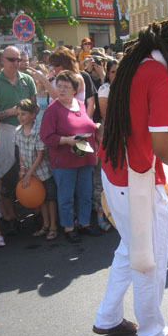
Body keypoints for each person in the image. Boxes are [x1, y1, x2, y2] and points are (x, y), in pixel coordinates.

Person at [93, 14, 168, 336]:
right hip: (137, 178)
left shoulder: (138, 62)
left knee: (132, 250)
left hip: (118, 168)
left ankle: (108, 317)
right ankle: (151, 331)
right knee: (149, 257)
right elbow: (162, 146)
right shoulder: (159, 75)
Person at [40, 70, 100, 243]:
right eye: (59, 86)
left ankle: (84, 223)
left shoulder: (80, 104)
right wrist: (67, 140)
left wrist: (94, 126)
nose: (61, 90)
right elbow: (46, 137)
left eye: (66, 86)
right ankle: (68, 227)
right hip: (64, 160)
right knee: (66, 196)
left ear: (75, 89)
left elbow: (86, 124)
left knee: (85, 193)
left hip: (84, 156)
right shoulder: (53, 110)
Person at [0, 45, 37, 234]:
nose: (17, 63)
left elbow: (34, 104)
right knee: (7, 175)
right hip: (7, 130)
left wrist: (28, 115)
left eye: (19, 60)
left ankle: (37, 213)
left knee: (34, 170)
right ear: (2, 61)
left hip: (27, 129)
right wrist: (10, 112)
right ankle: (10, 217)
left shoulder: (27, 79)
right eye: (12, 60)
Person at [15, 99, 58, 240]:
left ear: (33, 115)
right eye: (18, 114)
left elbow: (40, 155)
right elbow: (20, 151)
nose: (20, 117)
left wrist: (28, 173)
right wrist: (22, 167)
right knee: (41, 200)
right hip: (30, 173)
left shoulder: (39, 131)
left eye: (23, 114)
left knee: (50, 199)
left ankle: (53, 227)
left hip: (43, 172)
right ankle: (45, 225)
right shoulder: (18, 132)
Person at [28, 46, 96, 119]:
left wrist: (43, 79)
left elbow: (58, 96)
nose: (54, 67)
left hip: (72, 119)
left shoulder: (77, 78)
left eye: (56, 64)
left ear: (66, 63)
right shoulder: (54, 79)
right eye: (52, 64)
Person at [93, 59, 119, 233]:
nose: (116, 75)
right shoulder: (105, 89)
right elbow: (105, 115)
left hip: (127, 137)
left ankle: (118, 215)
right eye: (113, 71)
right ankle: (100, 214)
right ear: (108, 74)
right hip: (109, 136)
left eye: (119, 71)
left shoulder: (130, 87)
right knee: (102, 178)